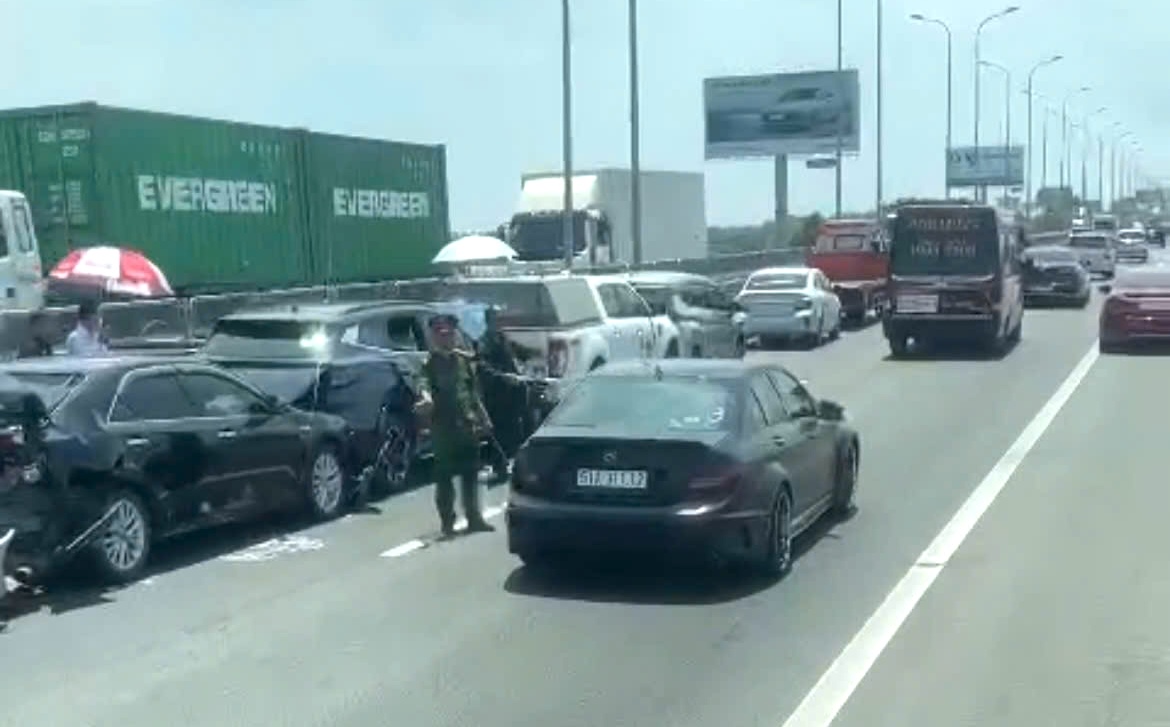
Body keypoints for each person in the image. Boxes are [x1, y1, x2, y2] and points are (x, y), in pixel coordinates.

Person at [415, 313, 495, 539]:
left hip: (467, 425)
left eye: (449, 333)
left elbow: (472, 393)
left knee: (471, 474)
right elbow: (423, 386)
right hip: (444, 429)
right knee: (445, 479)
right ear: (433, 337)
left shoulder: (462, 361)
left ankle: (474, 518)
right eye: (440, 334)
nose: (446, 338)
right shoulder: (428, 364)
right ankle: (447, 523)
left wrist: (484, 418)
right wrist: (426, 399)